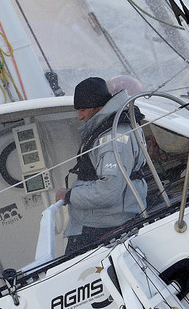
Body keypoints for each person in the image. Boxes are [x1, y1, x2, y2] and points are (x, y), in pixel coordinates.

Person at [56, 76, 148, 254]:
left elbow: (108, 190)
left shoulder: (112, 139)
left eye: (83, 110)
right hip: (99, 224)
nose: (80, 116)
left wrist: (69, 196)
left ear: (98, 107)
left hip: (102, 228)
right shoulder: (112, 129)